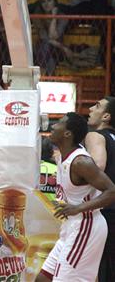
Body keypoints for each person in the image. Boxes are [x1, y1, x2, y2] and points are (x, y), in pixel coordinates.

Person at [36, 112, 115, 282]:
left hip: (86, 226)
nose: (53, 126)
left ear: (67, 134)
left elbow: (112, 191)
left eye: (59, 123)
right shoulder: (62, 156)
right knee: (43, 278)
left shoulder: (81, 162)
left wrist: (77, 208)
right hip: (71, 226)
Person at [85, 97, 115, 282]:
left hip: (106, 211)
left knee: (98, 270)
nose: (90, 108)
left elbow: (97, 165)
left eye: (96, 105)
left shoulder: (95, 136)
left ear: (106, 116)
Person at [33, 0, 69, 76]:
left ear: (54, 2)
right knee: (46, 48)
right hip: (42, 49)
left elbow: (55, 36)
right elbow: (45, 37)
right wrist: (64, 48)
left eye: (49, 0)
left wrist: (54, 18)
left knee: (47, 47)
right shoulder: (37, 16)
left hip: (57, 51)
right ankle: (48, 76)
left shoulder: (62, 17)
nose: (46, 4)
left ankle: (42, 74)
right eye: (43, 1)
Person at [39, 137, 58, 202]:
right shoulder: (58, 170)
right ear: (51, 151)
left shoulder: (30, 169)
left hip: (33, 209)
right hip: (55, 209)